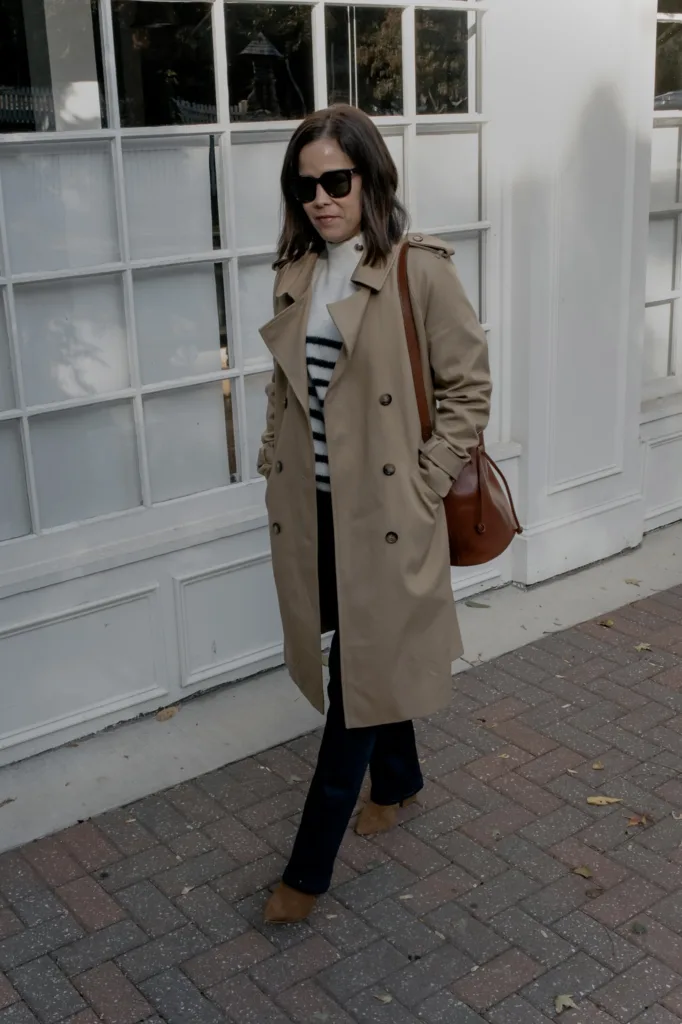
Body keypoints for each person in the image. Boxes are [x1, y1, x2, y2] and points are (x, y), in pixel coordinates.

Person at [257, 103, 491, 924]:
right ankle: (399, 782)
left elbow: (469, 389)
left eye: (336, 180)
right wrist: (269, 458)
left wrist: (423, 483)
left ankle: (305, 875)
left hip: (385, 517)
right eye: (306, 183)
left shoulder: (416, 270)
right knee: (362, 651)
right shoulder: (297, 268)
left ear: (369, 178)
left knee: (355, 684)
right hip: (314, 509)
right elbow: (287, 388)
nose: (321, 196)